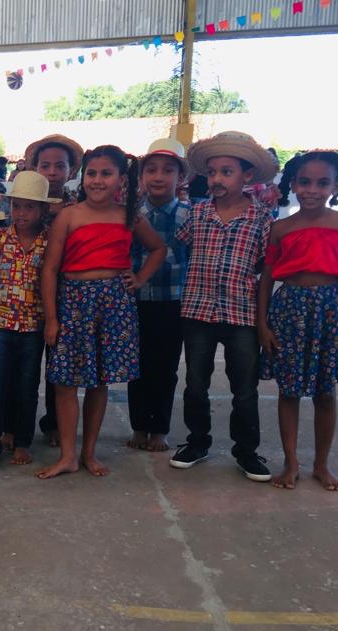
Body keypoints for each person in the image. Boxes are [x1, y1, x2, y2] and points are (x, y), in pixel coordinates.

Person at [38, 146, 166, 479]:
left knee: (100, 382)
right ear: (83, 177)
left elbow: (158, 248)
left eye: (106, 174)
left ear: (121, 179)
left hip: (115, 305)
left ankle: (88, 452)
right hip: (74, 303)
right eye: (91, 173)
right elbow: (50, 269)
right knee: (65, 383)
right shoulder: (68, 215)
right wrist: (52, 318)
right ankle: (67, 455)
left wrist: (138, 279)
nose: (97, 181)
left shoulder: (129, 216)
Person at [169, 131, 278, 482]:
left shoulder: (262, 219)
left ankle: (246, 451)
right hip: (198, 312)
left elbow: (265, 271)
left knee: (244, 387)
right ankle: (197, 442)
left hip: (241, 315)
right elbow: (179, 245)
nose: (216, 179)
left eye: (226, 172)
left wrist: (263, 320)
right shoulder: (198, 213)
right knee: (196, 383)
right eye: (212, 172)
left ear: (247, 176)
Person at [259, 151, 338, 491]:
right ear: (293, 184)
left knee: (325, 392)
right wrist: (263, 324)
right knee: (288, 391)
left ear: (336, 186)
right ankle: (291, 462)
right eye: (305, 182)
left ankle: (322, 464)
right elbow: (267, 278)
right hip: (289, 311)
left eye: (323, 183)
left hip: (332, 312)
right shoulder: (280, 228)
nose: (312, 190)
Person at [0, 171, 58, 471]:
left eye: (29, 207)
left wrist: (52, 320)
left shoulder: (50, 241)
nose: (21, 213)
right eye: (17, 206)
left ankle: (23, 442)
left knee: (27, 387)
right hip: (0, 324)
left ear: (43, 210)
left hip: (33, 328)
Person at [126, 138, 191, 453]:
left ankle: (159, 430)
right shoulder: (131, 214)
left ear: (181, 178)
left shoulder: (189, 216)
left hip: (173, 302)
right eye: (150, 170)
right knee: (135, 366)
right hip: (135, 302)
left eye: (168, 170)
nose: (158, 176)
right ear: (140, 177)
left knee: (165, 368)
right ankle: (139, 426)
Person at [24, 134, 84, 449]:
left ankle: (54, 423)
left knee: (57, 366)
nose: (51, 172)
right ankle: (16, 425)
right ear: (34, 168)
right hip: (24, 297)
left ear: (71, 171)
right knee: (24, 366)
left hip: (65, 297)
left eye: (59, 166)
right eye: (44, 165)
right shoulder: (24, 206)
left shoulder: (78, 210)